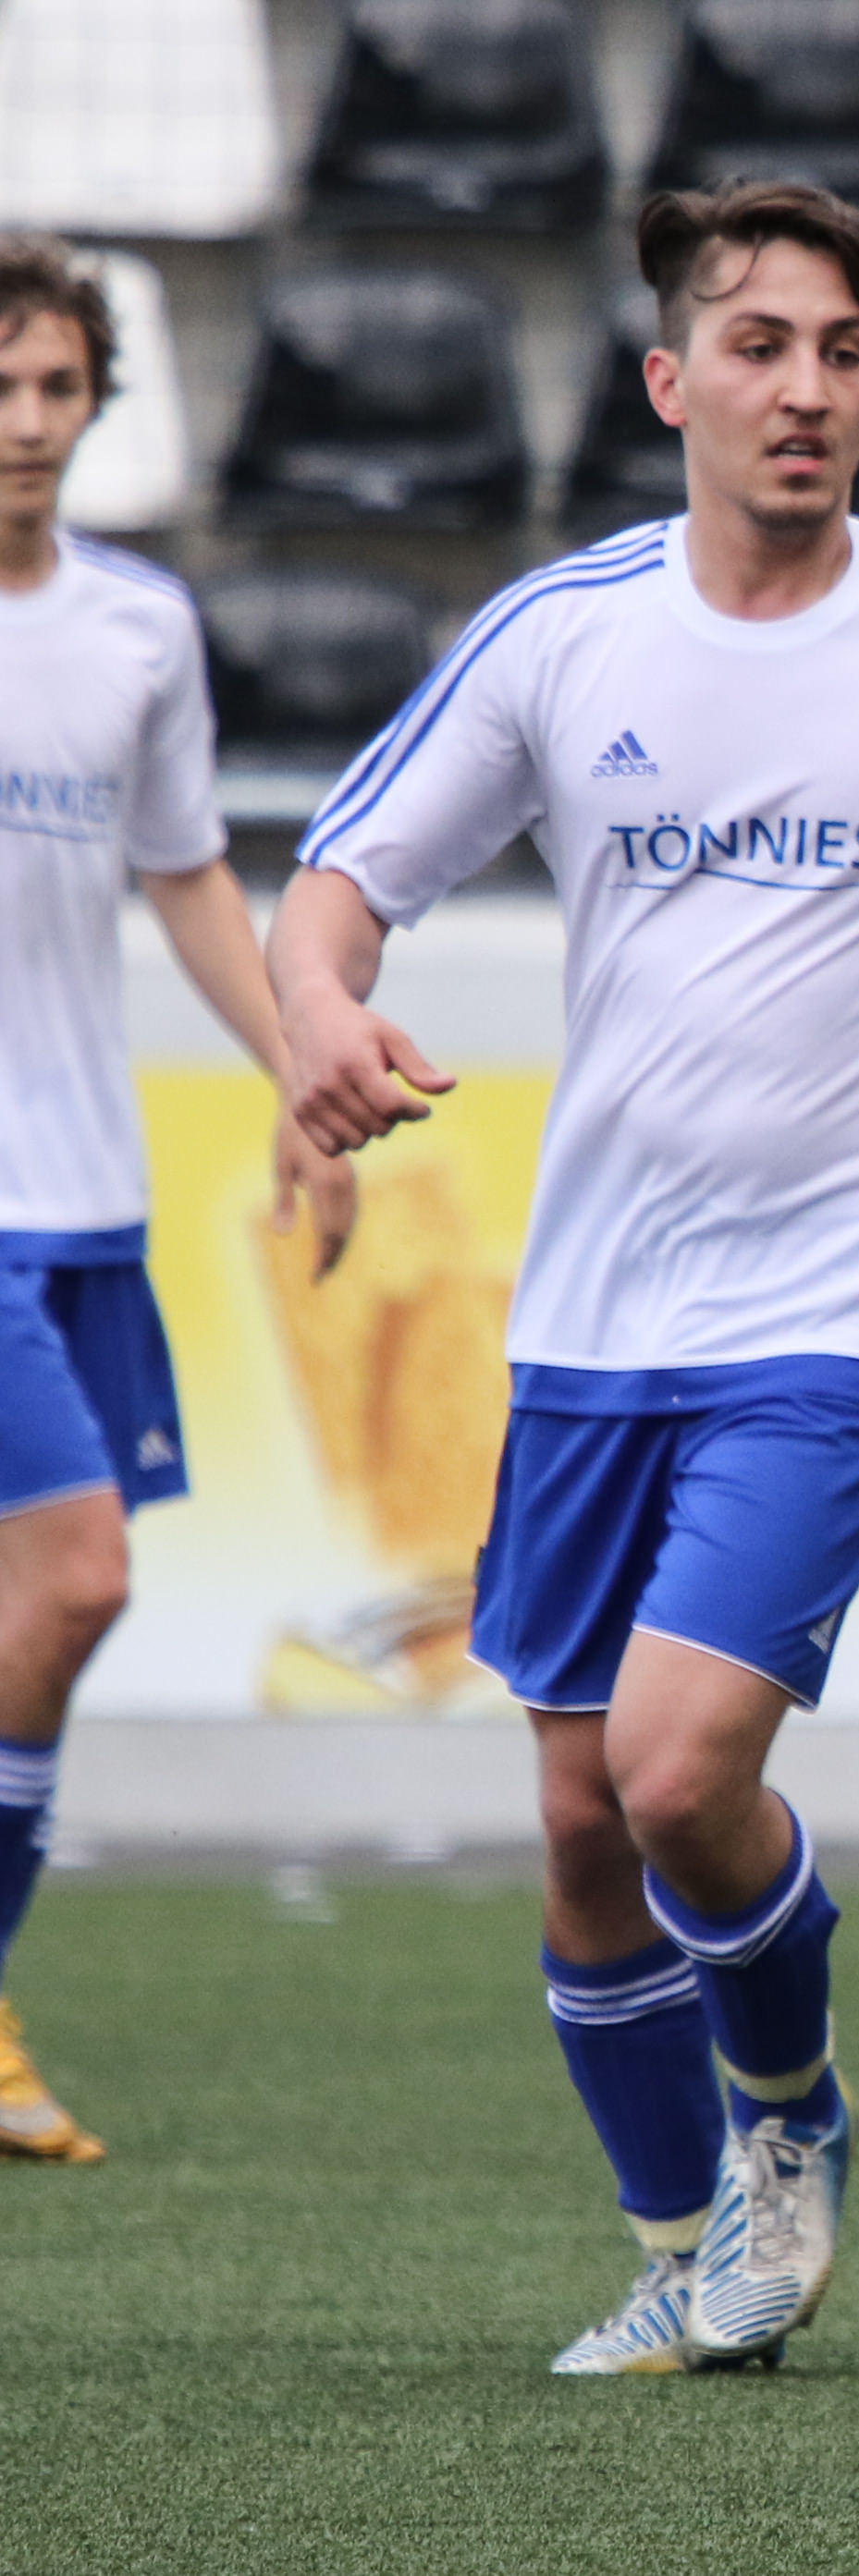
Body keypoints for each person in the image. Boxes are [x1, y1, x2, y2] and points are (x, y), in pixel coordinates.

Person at [267, 182, 859, 2375]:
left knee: (671, 1773)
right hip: (593, 1315)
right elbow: (335, 887)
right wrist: (320, 1017)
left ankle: (788, 2109)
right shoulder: (564, 633)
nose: (803, 388)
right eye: (756, 345)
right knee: (580, 1823)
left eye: (841, 350)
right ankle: (681, 2250)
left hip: (849, 1308)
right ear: (670, 381)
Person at [0, 236, 353, 2167]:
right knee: (75, 1580)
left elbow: (189, 876)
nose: (26, 422)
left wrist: (306, 1071)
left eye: (56, 387)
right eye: (0, 386)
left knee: (40, 1611)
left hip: (83, 1198)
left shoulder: (138, 628)